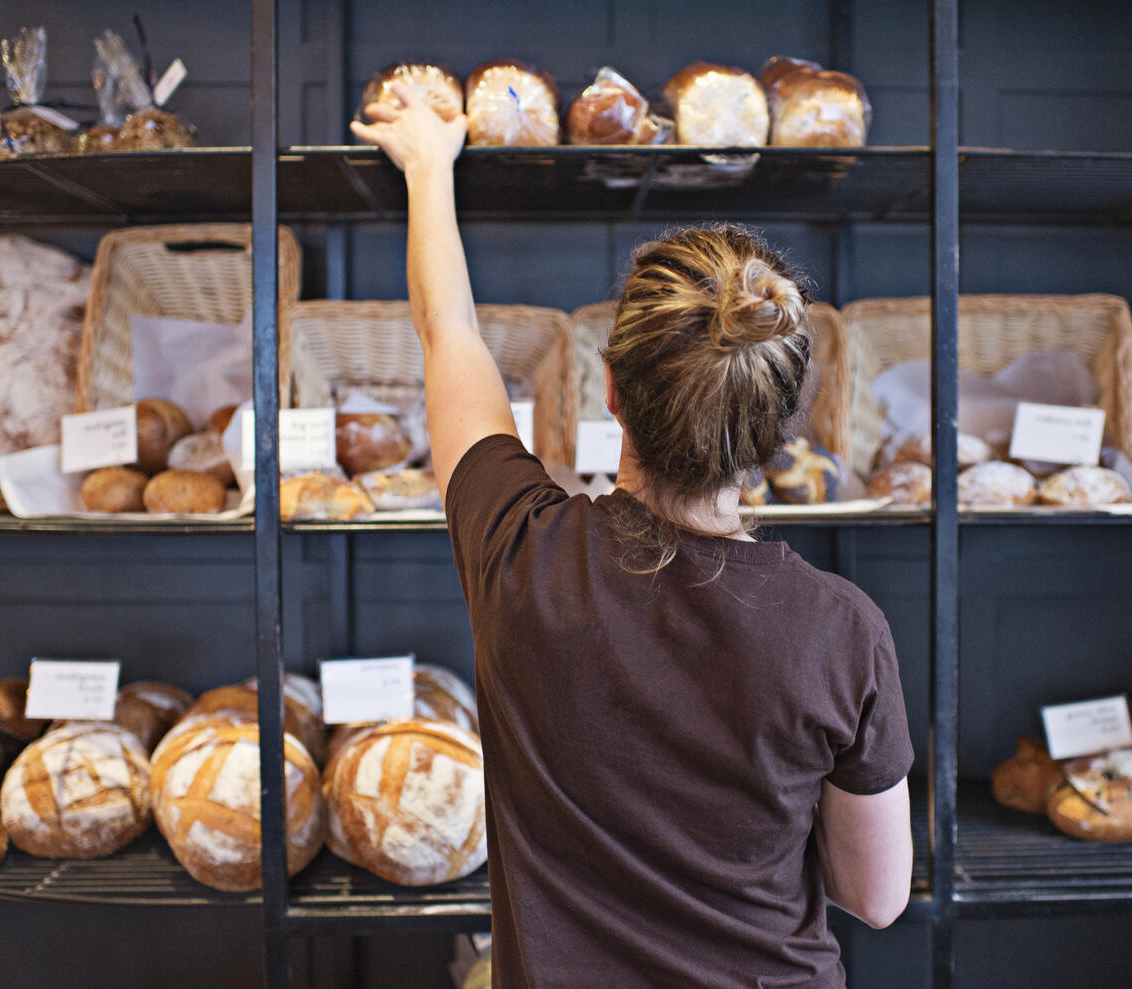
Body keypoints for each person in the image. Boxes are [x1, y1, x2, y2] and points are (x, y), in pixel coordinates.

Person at [352, 86, 913, 988]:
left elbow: (446, 331)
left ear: (610, 389)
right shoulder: (842, 630)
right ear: (777, 427)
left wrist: (428, 167)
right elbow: (875, 894)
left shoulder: (519, 552)